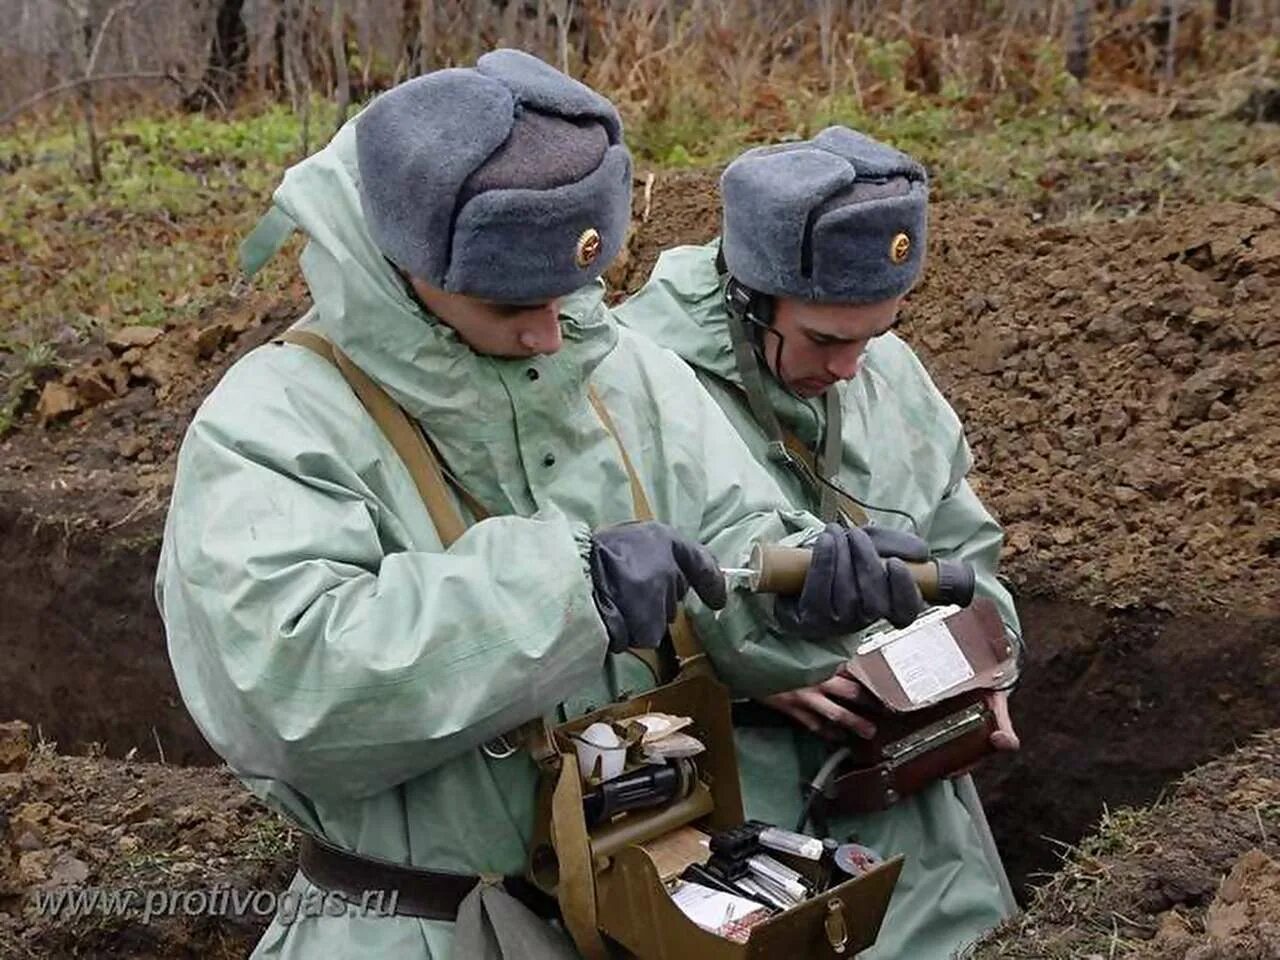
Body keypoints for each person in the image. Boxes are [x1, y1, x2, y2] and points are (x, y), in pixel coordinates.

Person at [155, 55, 927, 960]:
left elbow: (731, 545)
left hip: (655, 910)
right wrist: (571, 593)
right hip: (425, 931)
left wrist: (804, 593)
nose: (550, 333)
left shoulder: (619, 371)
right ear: (403, 260)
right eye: (512, 302)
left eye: (568, 293)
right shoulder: (275, 424)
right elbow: (289, 695)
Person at [615, 125, 1025, 959]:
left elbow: (966, 552)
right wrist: (754, 674)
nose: (850, 368)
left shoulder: (889, 373)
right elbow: (594, 602)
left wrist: (984, 658)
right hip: (730, 812)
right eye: (827, 340)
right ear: (746, 297)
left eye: (875, 333)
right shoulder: (629, 383)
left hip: (917, 804)